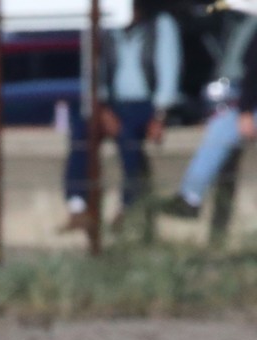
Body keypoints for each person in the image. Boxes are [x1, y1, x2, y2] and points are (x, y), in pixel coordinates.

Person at [61, 0, 183, 233]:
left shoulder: (161, 25)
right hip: (109, 101)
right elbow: (91, 74)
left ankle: (129, 206)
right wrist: (103, 109)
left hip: (145, 102)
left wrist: (159, 116)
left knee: (128, 139)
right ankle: (78, 205)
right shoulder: (100, 27)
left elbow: (169, 74)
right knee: (81, 133)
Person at [159, 2, 257, 218]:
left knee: (221, 130)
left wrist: (246, 110)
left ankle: (190, 197)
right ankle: (190, 197)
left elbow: (253, 70)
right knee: (220, 127)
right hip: (239, 98)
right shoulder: (237, 24)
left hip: (247, 102)